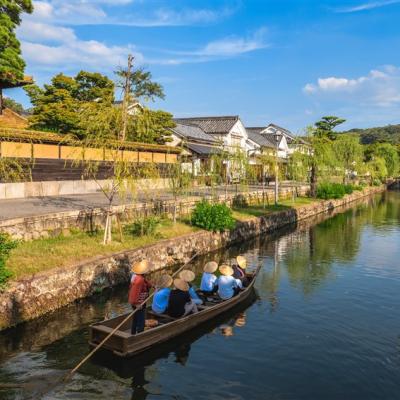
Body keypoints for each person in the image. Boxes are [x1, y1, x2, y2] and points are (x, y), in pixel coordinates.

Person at [128, 260, 152, 334]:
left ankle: (133, 333)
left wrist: (152, 286)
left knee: (136, 318)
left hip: (139, 302)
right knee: (141, 320)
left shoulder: (137, 277)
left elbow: (146, 283)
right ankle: (140, 335)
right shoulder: (139, 280)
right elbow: (134, 293)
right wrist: (136, 303)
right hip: (139, 303)